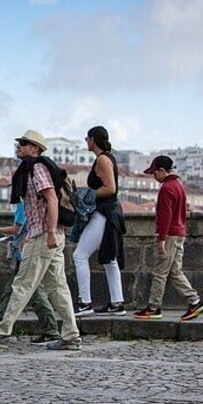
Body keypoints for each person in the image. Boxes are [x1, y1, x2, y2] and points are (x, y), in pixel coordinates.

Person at [0, 130, 81, 351]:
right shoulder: (32, 169)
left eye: (24, 143)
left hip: (43, 234)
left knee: (23, 283)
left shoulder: (36, 168)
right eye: (19, 142)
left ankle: (0, 332)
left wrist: (48, 232)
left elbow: (51, 199)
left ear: (35, 149)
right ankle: (71, 335)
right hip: (51, 234)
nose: (19, 146)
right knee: (57, 287)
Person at [134, 156, 203, 321]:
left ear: (162, 170)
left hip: (169, 235)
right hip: (179, 233)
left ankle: (154, 308)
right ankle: (194, 301)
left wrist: (161, 238)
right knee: (175, 271)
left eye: (154, 172)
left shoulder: (167, 188)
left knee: (160, 272)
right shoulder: (179, 186)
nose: (153, 176)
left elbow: (164, 216)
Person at [0, 201, 60, 345]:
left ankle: (51, 331)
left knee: (35, 294)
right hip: (25, 252)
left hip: (25, 253)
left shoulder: (22, 204)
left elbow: (17, 229)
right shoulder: (30, 202)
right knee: (11, 291)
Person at [73, 126, 127, 317]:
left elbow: (110, 188)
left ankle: (85, 303)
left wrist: (87, 194)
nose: (86, 142)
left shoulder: (102, 159)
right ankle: (117, 302)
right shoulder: (107, 158)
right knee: (109, 258)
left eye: (87, 138)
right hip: (111, 213)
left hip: (103, 213)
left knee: (79, 256)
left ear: (93, 140)